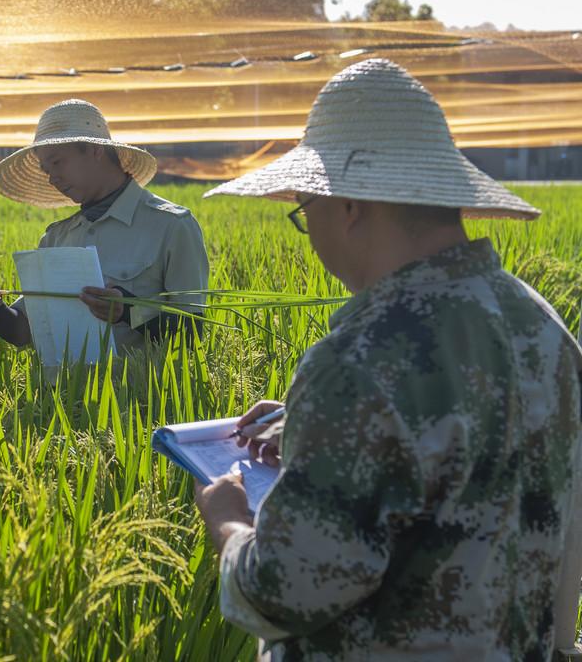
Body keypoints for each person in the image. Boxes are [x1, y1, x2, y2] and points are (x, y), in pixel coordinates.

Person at [193, 58, 582, 660]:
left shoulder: (356, 362)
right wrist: (313, 428)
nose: (309, 229)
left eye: (305, 210)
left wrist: (227, 522)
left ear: (348, 205)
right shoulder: (545, 330)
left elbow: (283, 592)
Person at [0, 98, 209, 353]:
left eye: (57, 162)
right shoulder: (57, 237)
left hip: (141, 391)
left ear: (94, 150)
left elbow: (192, 332)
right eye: (46, 170)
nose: (52, 178)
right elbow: (25, 331)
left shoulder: (171, 226)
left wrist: (128, 311)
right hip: (63, 391)